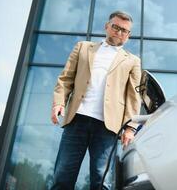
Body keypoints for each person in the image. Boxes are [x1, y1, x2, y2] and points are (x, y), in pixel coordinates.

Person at [50, 11, 141, 190]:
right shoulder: (83, 47)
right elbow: (66, 78)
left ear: (128, 35)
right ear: (106, 26)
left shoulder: (132, 61)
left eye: (124, 30)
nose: (119, 32)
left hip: (107, 127)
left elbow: (133, 97)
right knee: (63, 175)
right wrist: (59, 102)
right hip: (77, 120)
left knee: (101, 180)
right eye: (115, 27)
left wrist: (130, 127)